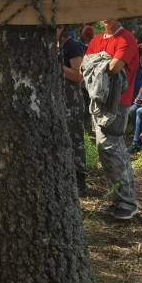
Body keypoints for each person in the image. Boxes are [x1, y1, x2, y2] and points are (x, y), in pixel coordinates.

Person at [81, 18, 140, 220]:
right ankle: (121, 199)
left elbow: (114, 67)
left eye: (111, 12)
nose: (106, 16)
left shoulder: (127, 38)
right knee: (113, 150)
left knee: (110, 149)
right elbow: (84, 66)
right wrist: (102, 61)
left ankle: (127, 203)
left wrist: (98, 62)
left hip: (117, 103)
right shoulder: (96, 39)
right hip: (99, 101)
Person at [56, 25, 88, 197]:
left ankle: (80, 179)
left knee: (75, 140)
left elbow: (78, 76)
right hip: (59, 101)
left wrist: (58, 66)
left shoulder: (73, 46)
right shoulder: (56, 46)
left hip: (72, 102)